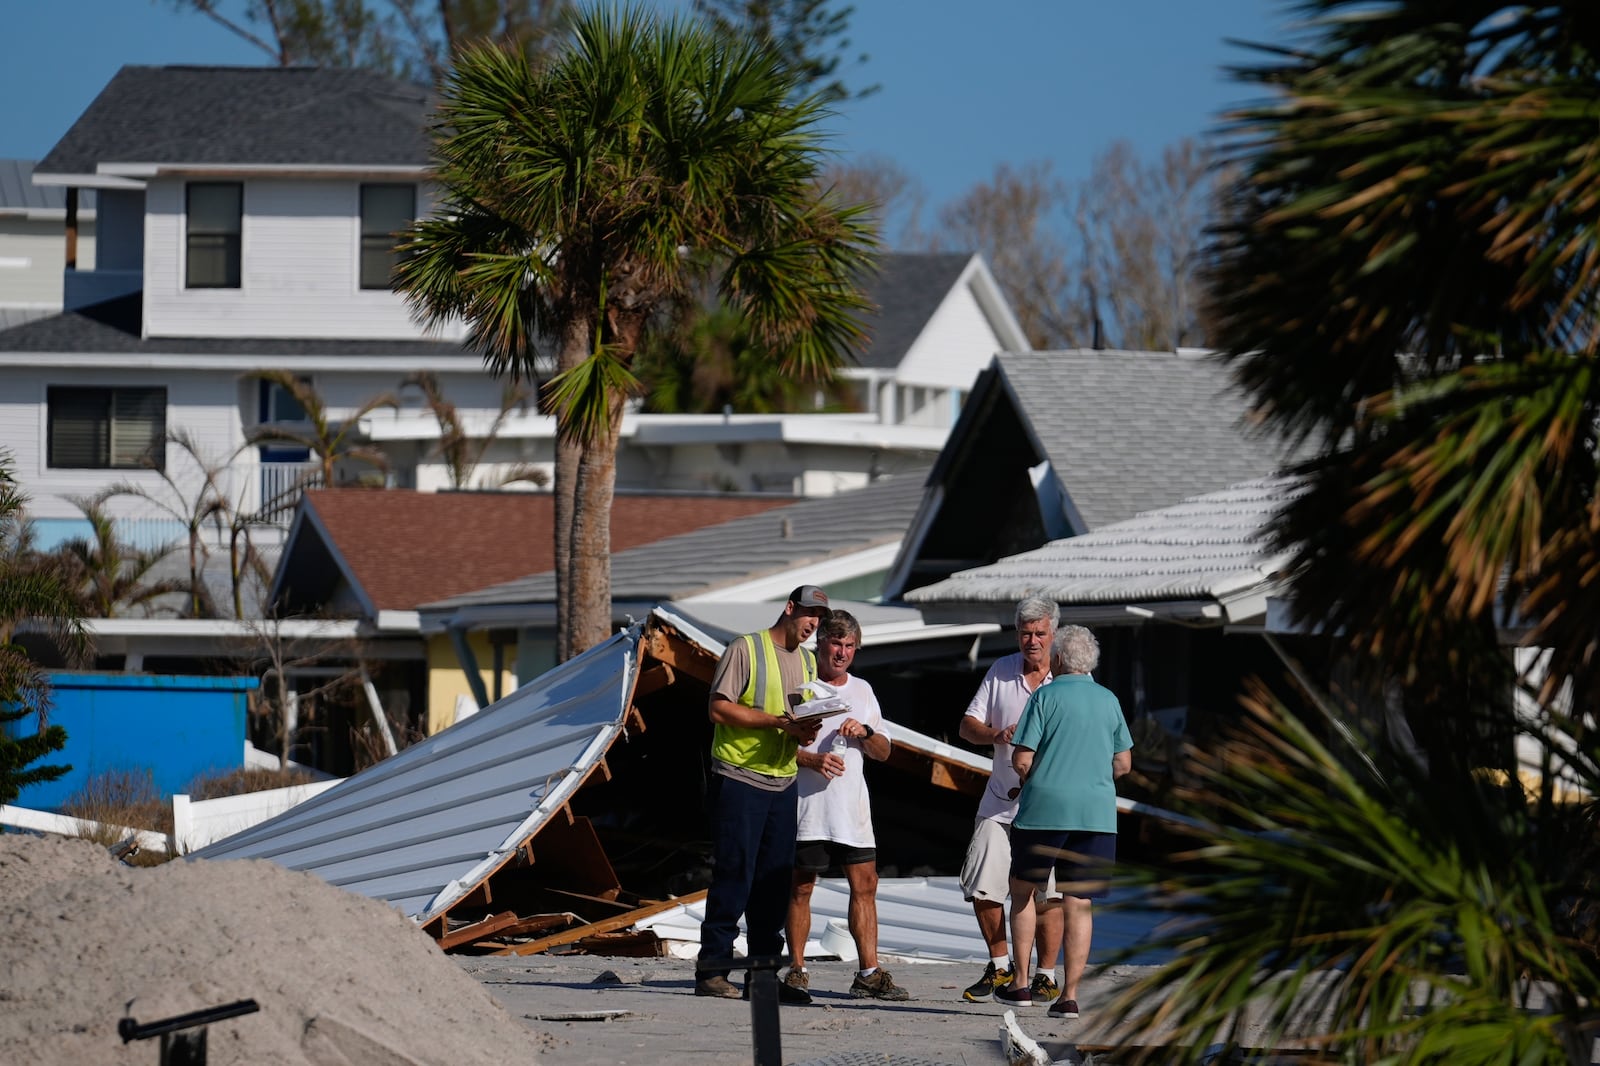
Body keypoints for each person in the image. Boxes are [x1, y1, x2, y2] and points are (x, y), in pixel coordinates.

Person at [695, 585, 831, 1003]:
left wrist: (808, 727)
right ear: (789, 608)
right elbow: (718, 708)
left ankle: (764, 977)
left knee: (773, 883)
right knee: (735, 874)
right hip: (740, 776)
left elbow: (800, 717)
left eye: (819, 618)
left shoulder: (808, 660)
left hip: (783, 778)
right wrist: (778, 723)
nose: (813, 624)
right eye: (809, 614)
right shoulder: (746, 648)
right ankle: (713, 971)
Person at [1000, 625, 1132, 1018]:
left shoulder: (1045, 696)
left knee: (1023, 891)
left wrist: (1033, 775)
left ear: (1057, 659)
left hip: (1045, 810)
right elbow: (1123, 763)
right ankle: (1069, 996)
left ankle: (1021, 984)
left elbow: (1021, 759)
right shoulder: (1109, 700)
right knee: (1079, 901)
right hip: (1096, 815)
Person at [782, 610, 910, 1002]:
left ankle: (869, 972)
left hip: (851, 811)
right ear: (820, 644)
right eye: (835, 644)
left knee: (865, 886)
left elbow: (884, 751)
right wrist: (811, 759)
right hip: (808, 808)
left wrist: (866, 732)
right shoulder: (798, 685)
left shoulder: (863, 691)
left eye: (849, 646)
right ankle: (797, 969)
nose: (841, 653)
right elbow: (777, 745)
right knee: (802, 887)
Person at [956, 596, 1066, 1004]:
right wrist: (997, 735)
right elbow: (968, 726)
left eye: (1039, 633)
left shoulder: (1068, 675)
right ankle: (1000, 966)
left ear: (1053, 633)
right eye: (1025, 633)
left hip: (1050, 806)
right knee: (983, 885)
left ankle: (1046, 974)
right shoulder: (1001, 669)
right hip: (1000, 799)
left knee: (1048, 894)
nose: (1032, 641)